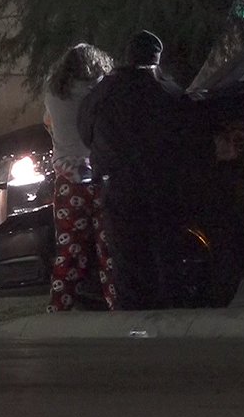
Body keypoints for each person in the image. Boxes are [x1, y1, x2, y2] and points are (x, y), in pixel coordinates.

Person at [77, 30, 188, 310]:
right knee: (165, 249)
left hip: (119, 183)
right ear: (155, 59)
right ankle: (170, 308)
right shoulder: (166, 90)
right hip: (161, 181)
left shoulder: (103, 92)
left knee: (127, 253)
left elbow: (85, 130)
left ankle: (133, 313)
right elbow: (187, 129)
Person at [42, 43, 117, 312]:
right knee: (108, 249)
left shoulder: (52, 90)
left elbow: (48, 123)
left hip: (67, 183)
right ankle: (116, 304)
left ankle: (58, 308)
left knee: (69, 253)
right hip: (99, 177)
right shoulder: (101, 89)